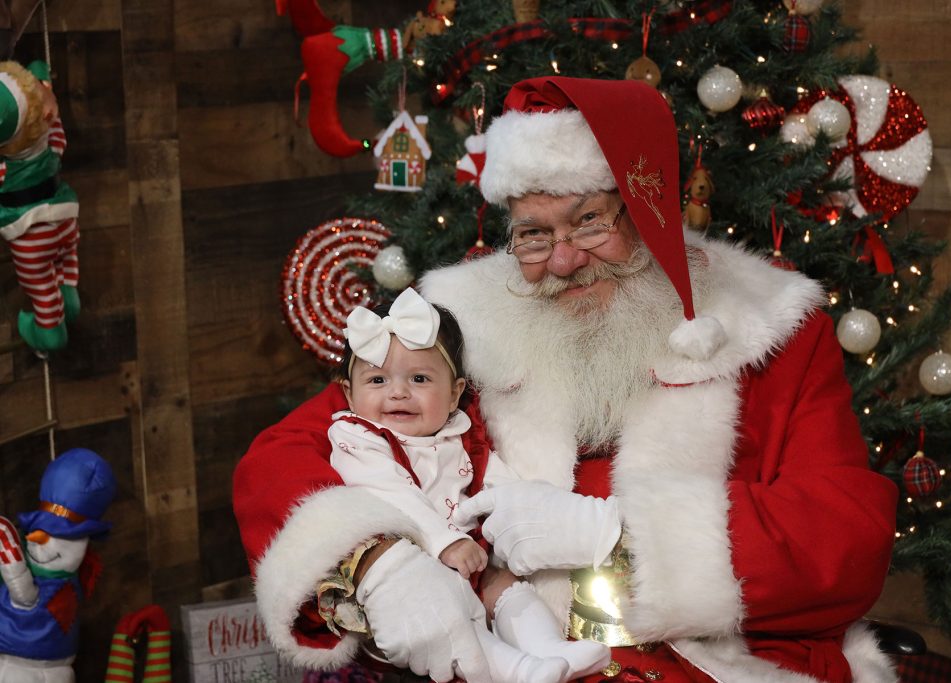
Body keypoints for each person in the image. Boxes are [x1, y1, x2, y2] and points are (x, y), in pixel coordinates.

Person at [233, 76, 899, 683]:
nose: (562, 260)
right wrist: (376, 563)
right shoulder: (459, 322)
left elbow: (847, 536)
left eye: (589, 220)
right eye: (532, 234)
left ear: (649, 210)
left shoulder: (768, 328)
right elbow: (284, 456)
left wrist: (618, 534)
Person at [323, 287, 610, 682]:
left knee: (507, 586)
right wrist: (444, 542)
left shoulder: (457, 434)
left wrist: (530, 506)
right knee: (451, 614)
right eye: (377, 380)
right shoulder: (357, 438)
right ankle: (516, 670)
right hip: (411, 566)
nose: (398, 391)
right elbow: (389, 495)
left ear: (455, 393)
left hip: (469, 555)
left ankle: (547, 649)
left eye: (419, 378)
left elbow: (495, 480)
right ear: (349, 393)